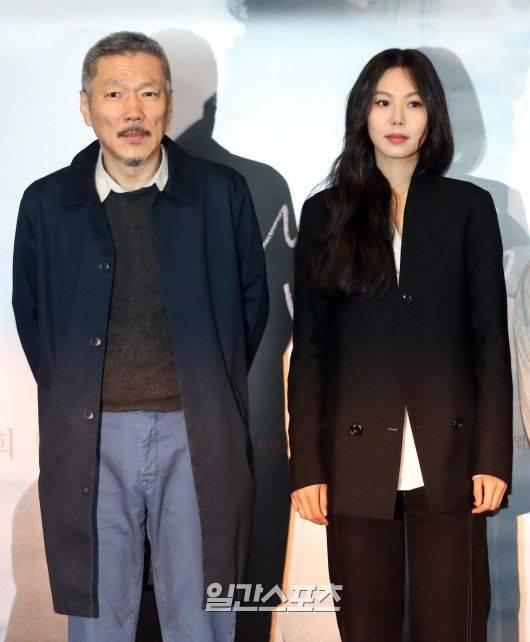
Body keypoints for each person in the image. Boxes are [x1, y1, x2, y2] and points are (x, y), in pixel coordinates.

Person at [12, 31, 268, 642]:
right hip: (92, 438)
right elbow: (34, 318)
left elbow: (249, 309)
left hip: (197, 432)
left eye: (149, 93)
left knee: (203, 616)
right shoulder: (47, 204)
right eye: (114, 93)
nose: (133, 111)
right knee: (98, 619)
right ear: (86, 106)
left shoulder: (220, 194)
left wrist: (205, 385)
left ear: (169, 104)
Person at [287, 48, 512, 641]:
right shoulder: (326, 213)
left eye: (413, 104)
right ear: (362, 111)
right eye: (383, 102)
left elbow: (490, 343)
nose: (397, 117)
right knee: (366, 627)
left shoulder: (469, 209)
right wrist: (306, 465)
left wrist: (492, 457)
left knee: (452, 626)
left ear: (432, 115)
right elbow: (310, 352)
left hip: (451, 457)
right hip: (354, 458)